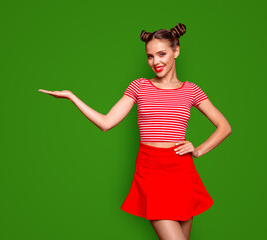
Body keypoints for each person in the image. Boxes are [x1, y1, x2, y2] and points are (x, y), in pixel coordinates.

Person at [38, 22, 232, 240]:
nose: (155, 62)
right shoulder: (139, 86)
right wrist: (72, 97)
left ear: (176, 51)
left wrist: (198, 150)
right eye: (150, 56)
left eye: (161, 54)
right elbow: (106, 122)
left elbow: (224, 126)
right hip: (151, 171)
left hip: (182, 172)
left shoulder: (191, 90)